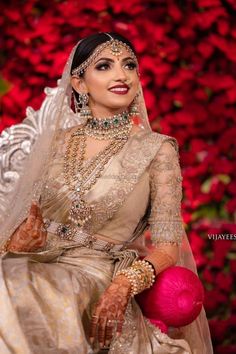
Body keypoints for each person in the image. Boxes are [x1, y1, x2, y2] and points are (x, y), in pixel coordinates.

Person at [0, 32, 213, 354]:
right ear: (79, 84)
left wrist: (125, 284)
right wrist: (16, 243)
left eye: (129, 65)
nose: (121, 75)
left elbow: (169, 248)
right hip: (32, 262)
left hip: (94, 273)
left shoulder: (157, 150)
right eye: (104, 66)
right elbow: (20, 225)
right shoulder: (54, 142)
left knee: (16, 285)